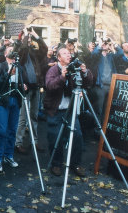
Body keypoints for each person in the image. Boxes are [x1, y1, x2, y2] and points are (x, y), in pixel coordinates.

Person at [44, 47, 93, 177]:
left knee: (77, 136)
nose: (68, 55)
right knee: (55, 138)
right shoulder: (53, 70)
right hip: (56, 110)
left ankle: (75, 164)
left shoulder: (74, 69)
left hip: (70, 110)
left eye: (69, 53)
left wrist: (85, 72)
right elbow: (50, 86)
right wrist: (62, 77)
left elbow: (88, 83)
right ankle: (56, 164)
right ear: (59, 58)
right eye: (64, 53)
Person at [0, 46, 27, 172]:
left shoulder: (19, 67)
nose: (13, 53)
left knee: (12, 130)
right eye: (10, 51)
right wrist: (7, 74)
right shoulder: (0, 66)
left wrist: (23, 86)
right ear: (5, 54)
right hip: (3, 101)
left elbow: (22, 82)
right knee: (2, 130)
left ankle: (9, 155)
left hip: (15, 101)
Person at [15, 26, 48, 154]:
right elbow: (23, 50)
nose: (29, 41)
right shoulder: (20, 52)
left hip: (35, 87)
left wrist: (35, 34)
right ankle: (18, 143)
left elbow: (44, 49)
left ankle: (34, 141)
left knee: (34, 116)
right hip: (25, 88)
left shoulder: (34, 53)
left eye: (30, 39)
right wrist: (24, 36)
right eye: (27, 39)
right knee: (23, 117)